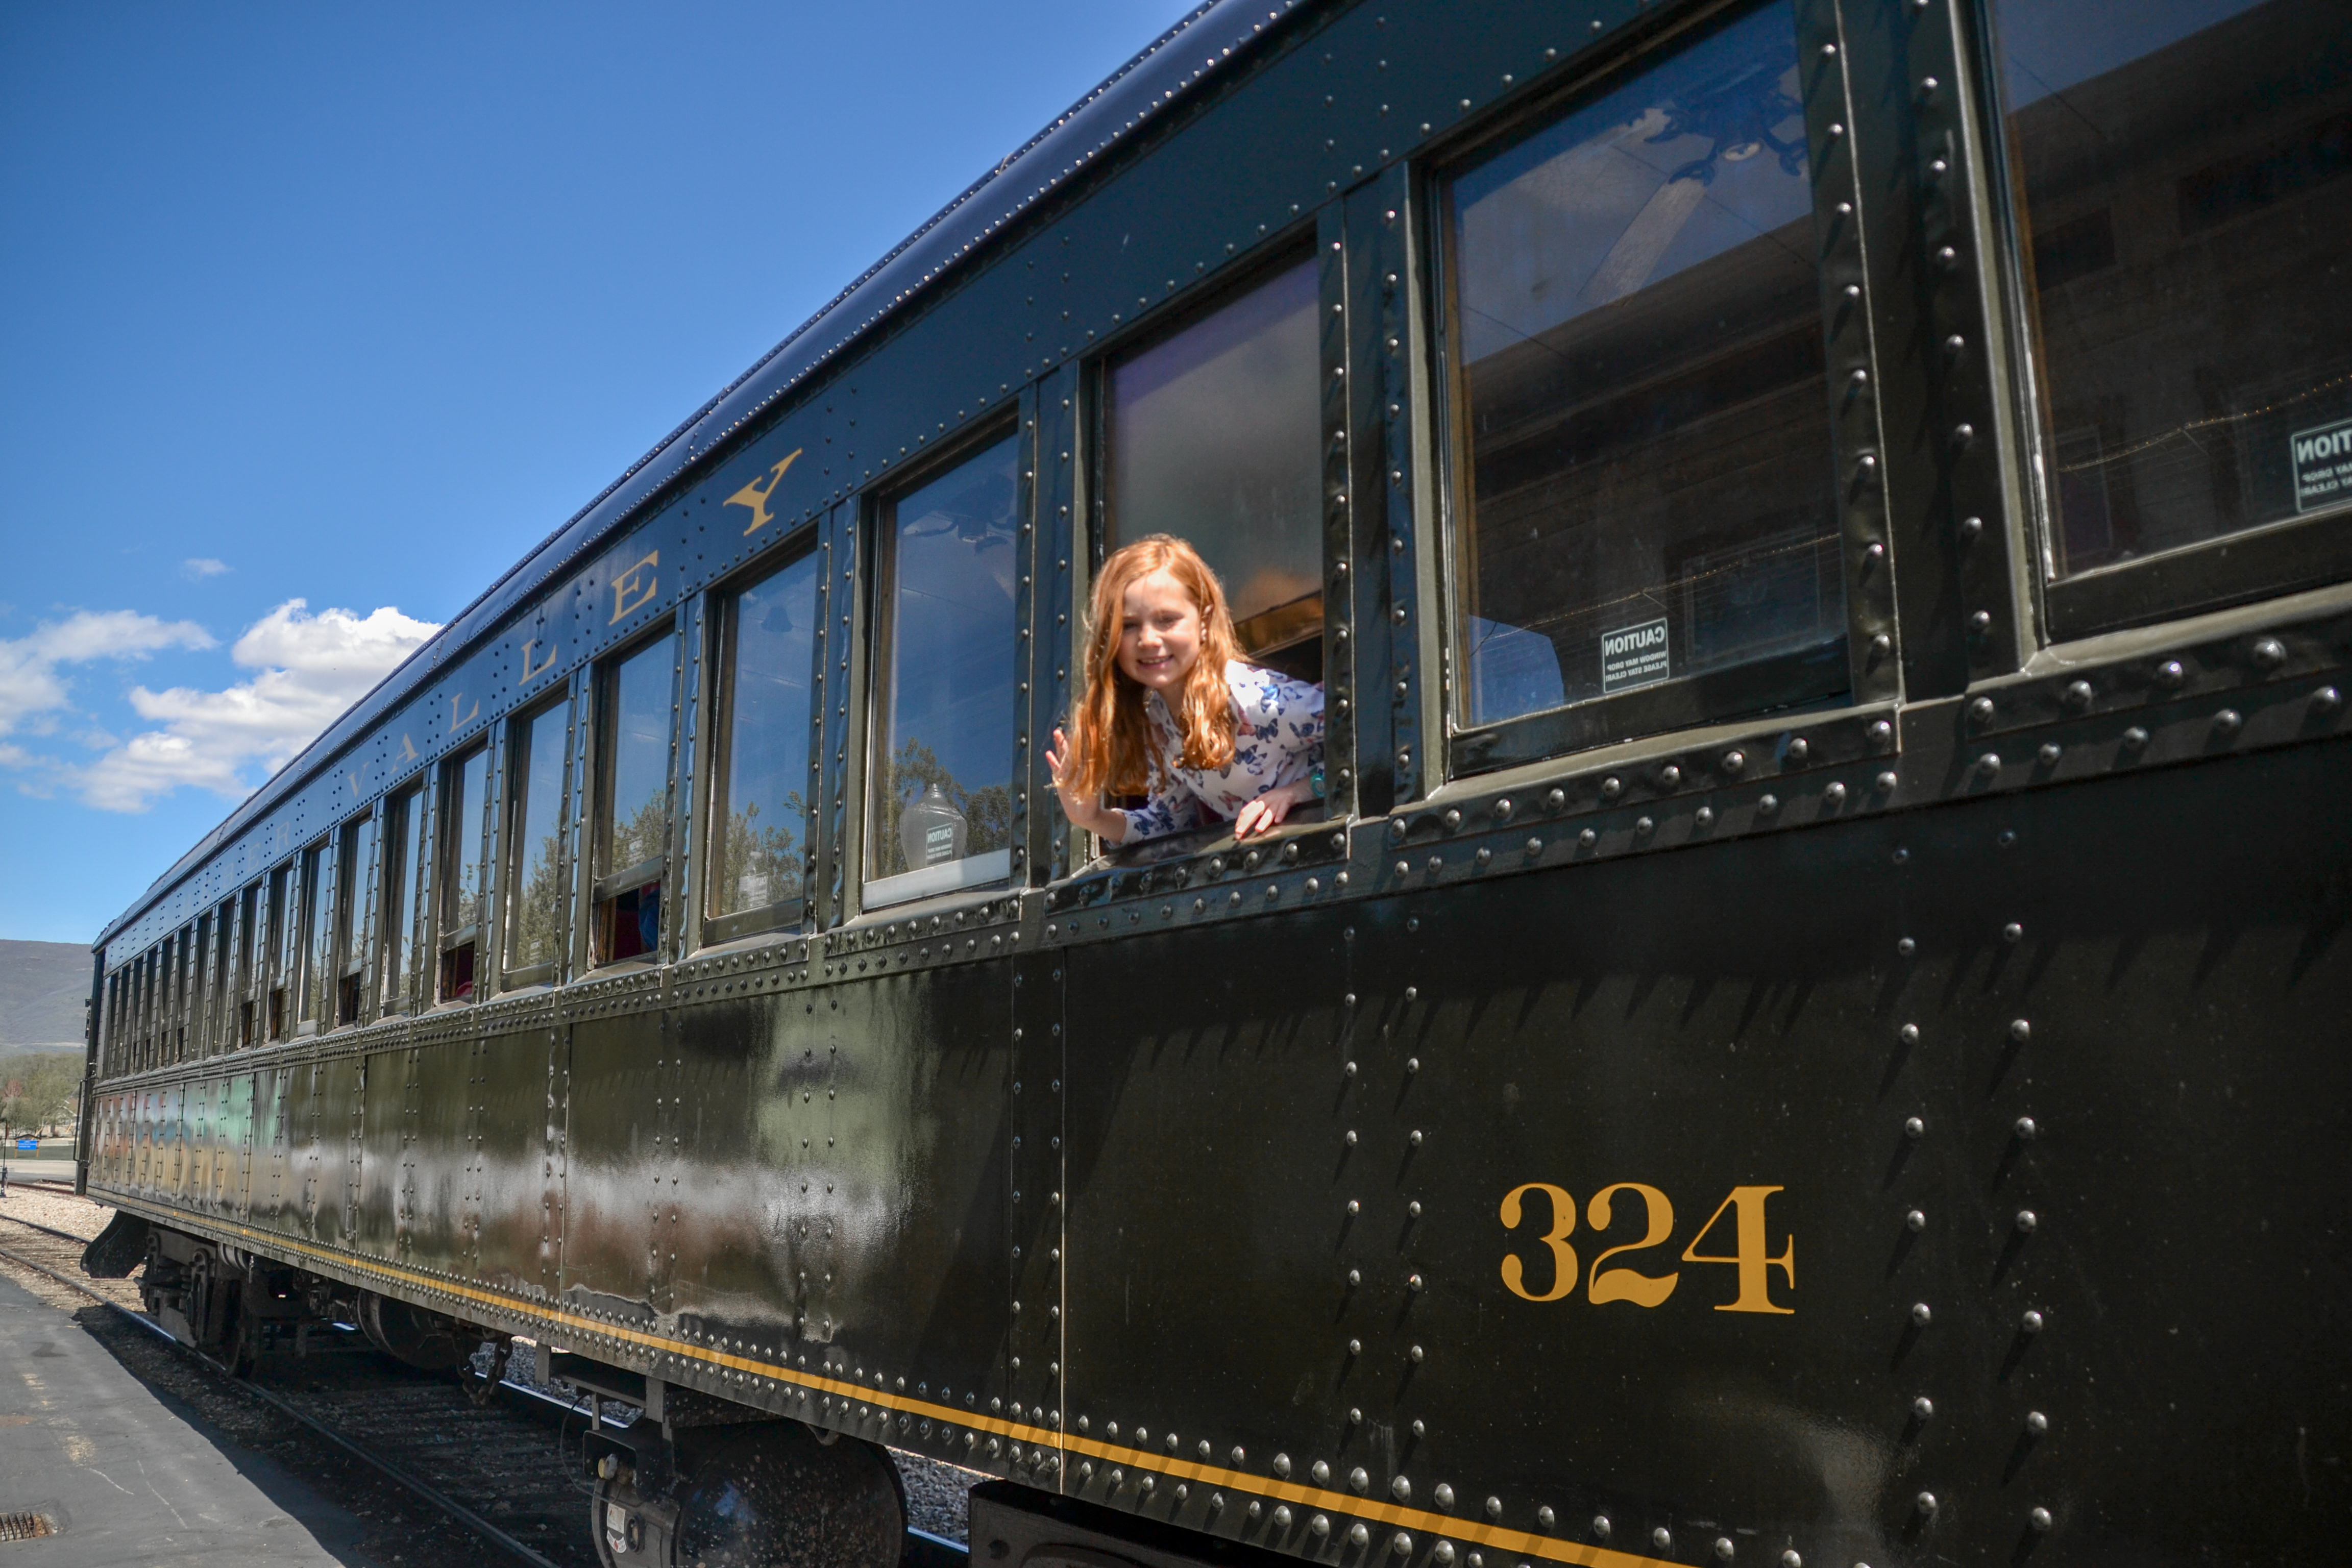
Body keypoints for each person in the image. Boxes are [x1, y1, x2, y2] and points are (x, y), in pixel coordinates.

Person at [1047, 534, 1324, 845]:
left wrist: (1298, 791)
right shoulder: (1158, 723)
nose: (1148, 639)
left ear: (1204, 622)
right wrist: (1090, 818)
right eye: (1128, 625)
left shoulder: (1253, 699)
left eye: (1166, 620)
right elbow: (1170, 822)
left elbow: (1367, 736)